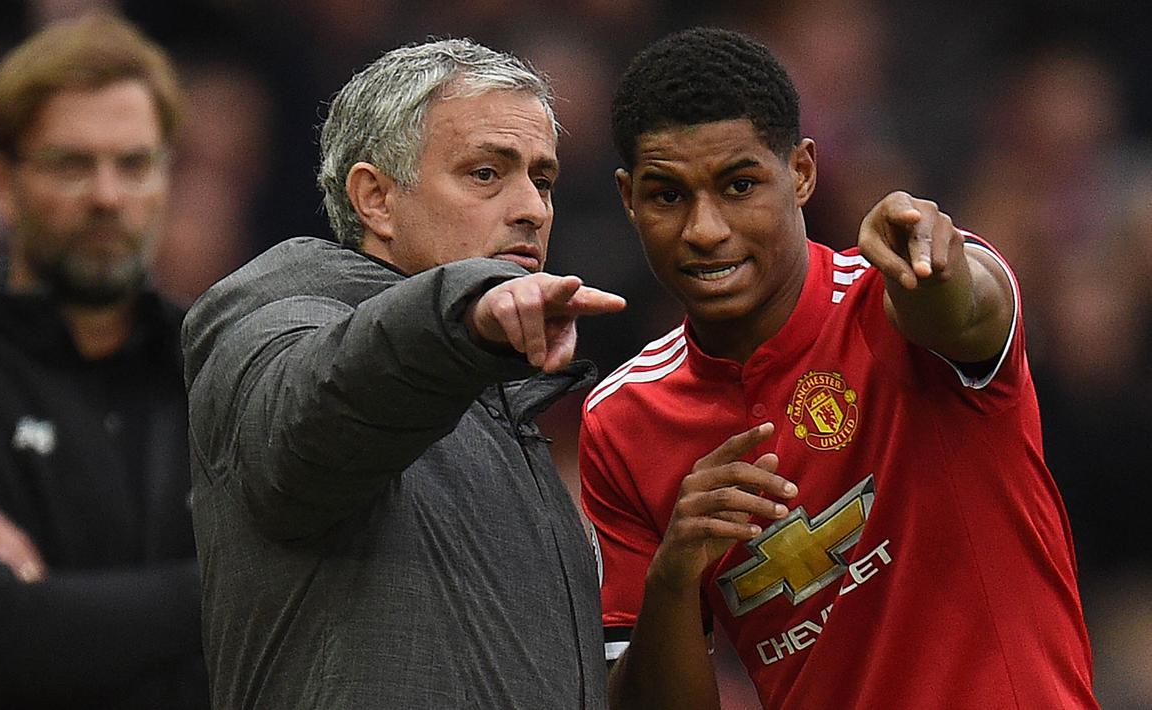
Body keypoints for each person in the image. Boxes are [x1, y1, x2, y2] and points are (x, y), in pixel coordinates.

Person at [579, 27, 1098, 710]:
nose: (704, 229)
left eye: (739, 185)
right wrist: (673, 579)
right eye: (667, 196)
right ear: (627, 198)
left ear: (801, 172)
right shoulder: (621, 423)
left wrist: (932, 274)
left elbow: (965, 309)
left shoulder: (891, 299)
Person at [182, 38, 625, 709]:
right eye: (486, 173)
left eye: (542, 179)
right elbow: (311, 425)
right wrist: (463, 317)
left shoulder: (502, 401)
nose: (533, 209)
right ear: (376, 199)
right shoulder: (278, 317)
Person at [0, 13, 208, 709]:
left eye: (134, 164)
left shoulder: (214, 368)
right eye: (71, 164)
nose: (107, 196)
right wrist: (229, 588)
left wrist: (59, 611)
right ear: (1, 184)